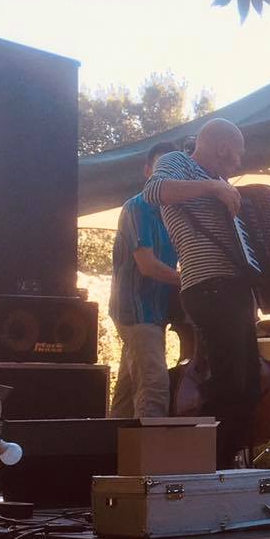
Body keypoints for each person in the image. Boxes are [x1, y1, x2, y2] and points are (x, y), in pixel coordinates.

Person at [144, 119, 255, 466]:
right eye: (238, 154)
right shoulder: (178, 161)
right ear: (222, 148)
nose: (239, 162)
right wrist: (213, 187)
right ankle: (210, 464)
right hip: (207, 286)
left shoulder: (221, 183)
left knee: (249, 384)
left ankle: (226, 460)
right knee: (228, 381)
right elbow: (154, 191)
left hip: (234, 290)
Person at [109, 141, 181, 419]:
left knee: (127, 393)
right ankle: (150, 449)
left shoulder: (174, 213)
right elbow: (148, 266)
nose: (166, 176)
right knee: (154, 387)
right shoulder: (136, 208)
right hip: (137, 311)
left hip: (156, 313)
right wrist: (189, 279)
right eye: (160, 168)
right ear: (147, 171)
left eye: (171, 170)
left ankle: (109, 444)